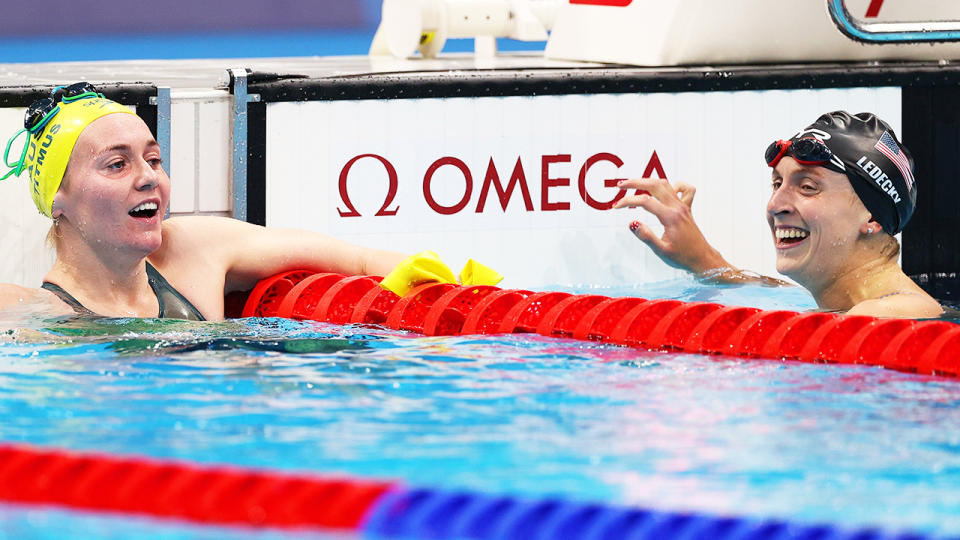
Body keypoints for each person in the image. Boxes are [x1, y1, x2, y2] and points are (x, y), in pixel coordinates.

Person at [0, 83, 408, 320]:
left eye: (154, 159)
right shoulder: (30, 313)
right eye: (117, 164)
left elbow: (361, 261)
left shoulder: (196, 252)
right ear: (58, 201)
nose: (148, 177)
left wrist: (458, 279)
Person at [613, 111, 943, 319]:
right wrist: (702, 260)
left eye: (808, 187)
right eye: (777, 183)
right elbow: (770, 290)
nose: (775, 205)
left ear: (872, 217)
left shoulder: (896, 315)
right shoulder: (846, 303)